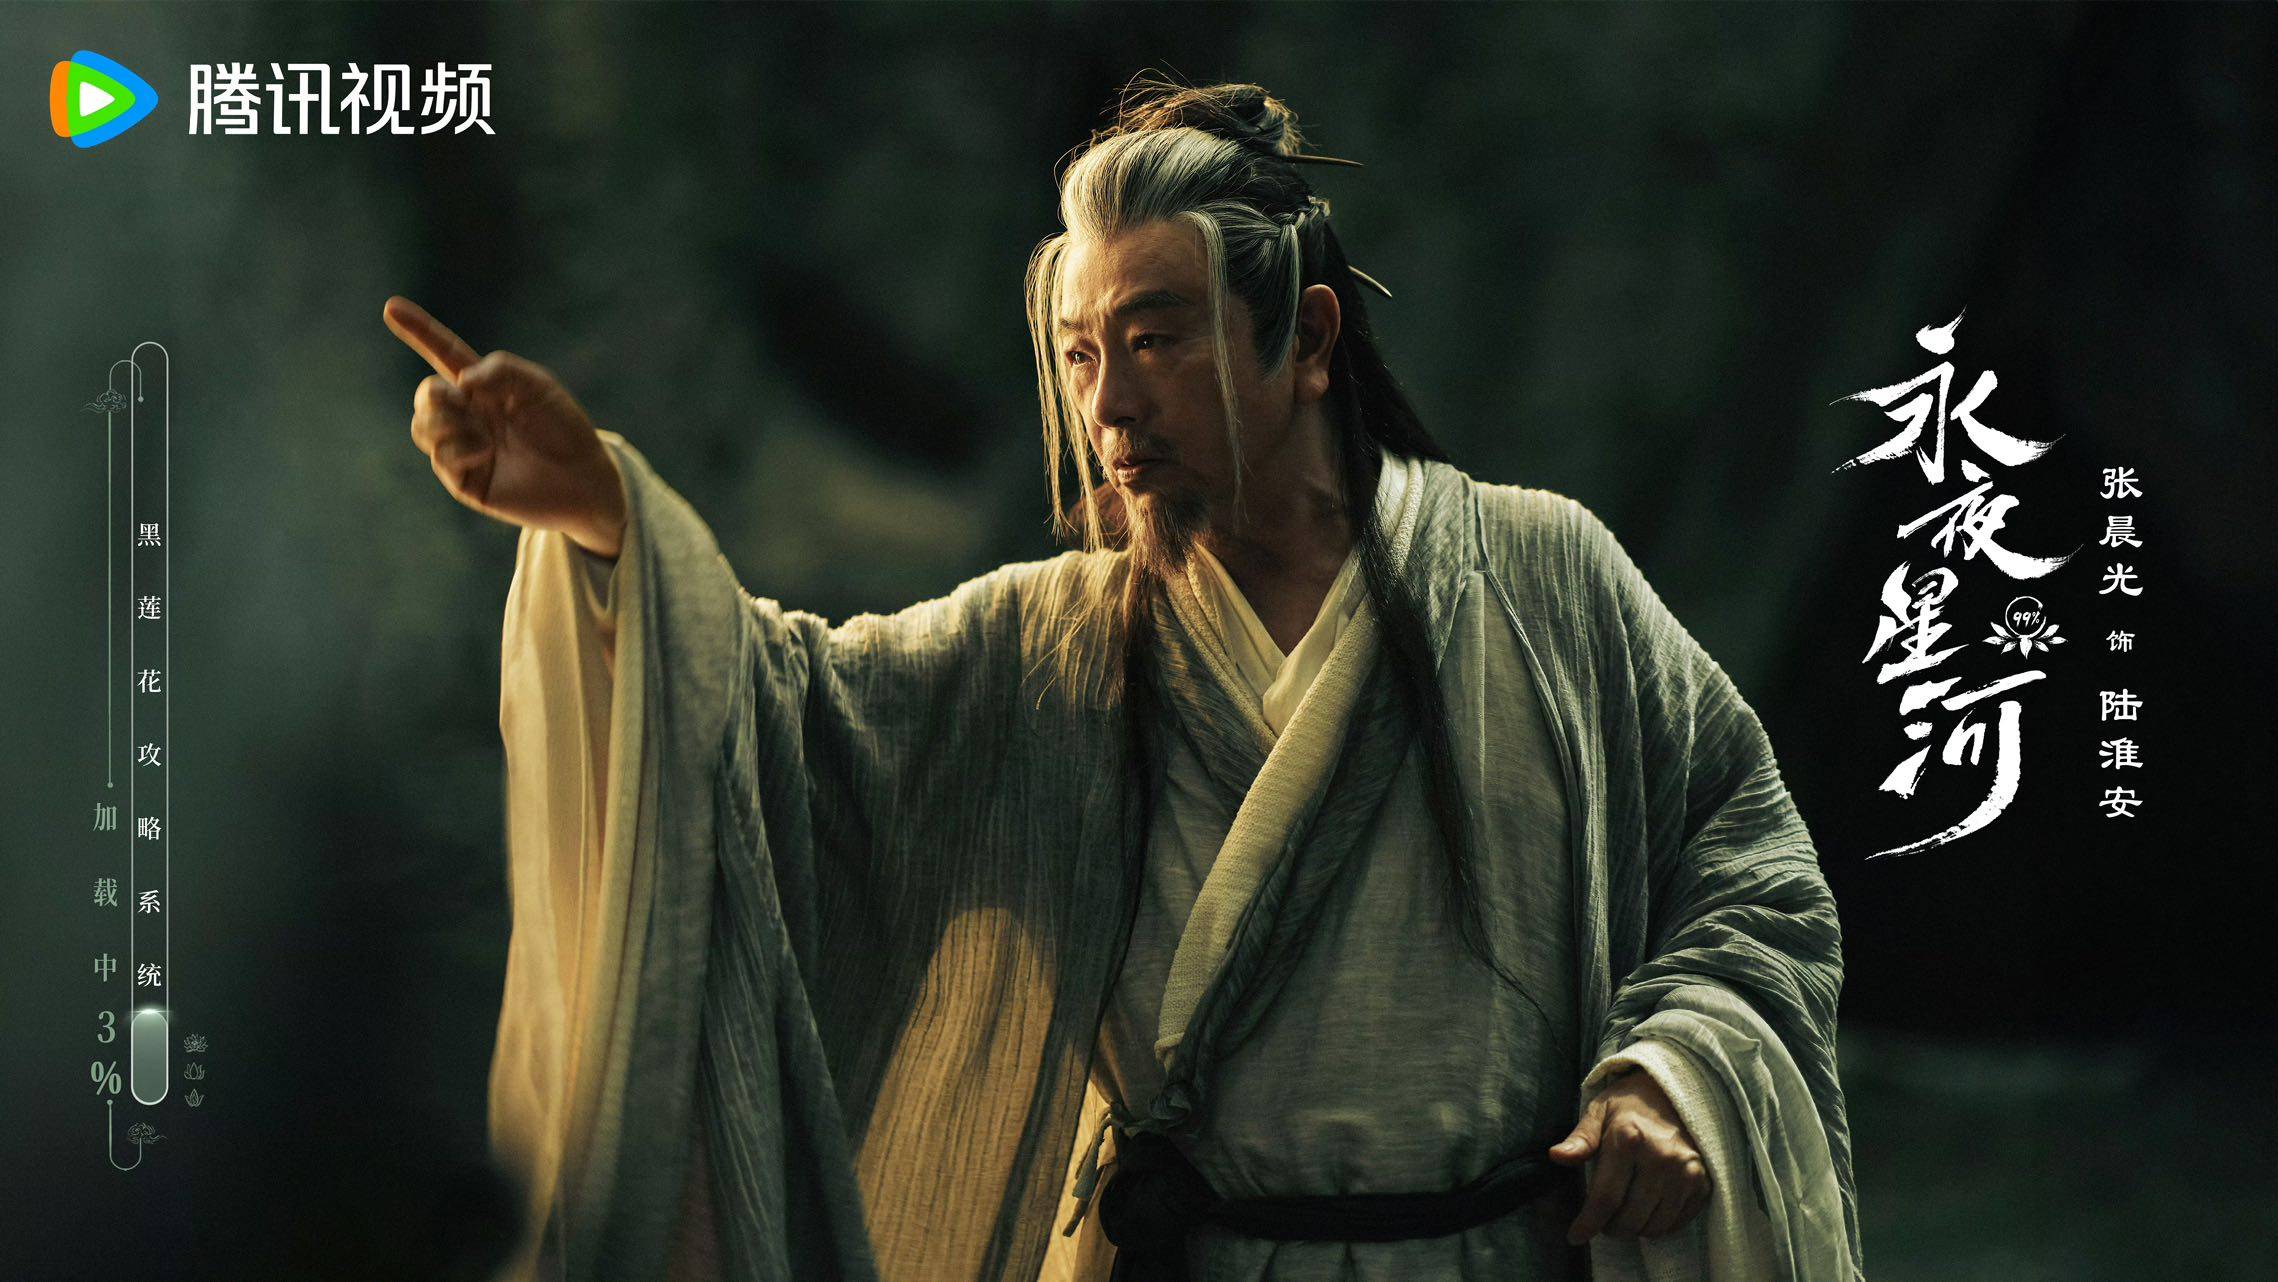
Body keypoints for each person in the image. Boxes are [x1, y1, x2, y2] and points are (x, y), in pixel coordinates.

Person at [388, 77, 1859, 1282]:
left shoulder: (1540, 580)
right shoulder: (1056, 648)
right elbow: (786, 714)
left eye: (1153, 339)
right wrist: (602, 518)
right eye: (1082, 353)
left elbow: (1744, 858)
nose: (1107, 403)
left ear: (1306, 340)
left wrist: (1667, 1068)